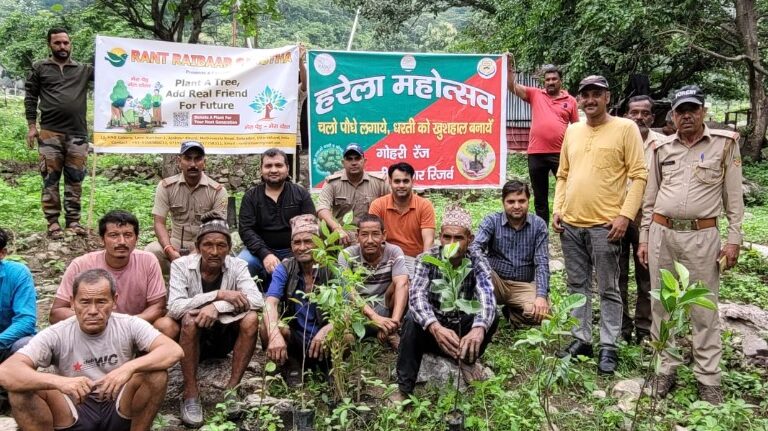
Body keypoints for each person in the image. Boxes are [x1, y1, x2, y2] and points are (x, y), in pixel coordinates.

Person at [637, 85, 744, 405]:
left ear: (703, 112)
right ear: (672, 115)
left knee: (703, 308)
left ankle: (708, 378)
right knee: (662, 304)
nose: (686, 115)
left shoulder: (724, 145)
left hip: (702, 237)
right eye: (680, 110)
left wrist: (734, 239)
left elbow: (734, 199)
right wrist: (643, 237)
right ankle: (664, 368)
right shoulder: (661, 147)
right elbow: (650, 198)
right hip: (662, 234)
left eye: (692, 109)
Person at [0, 269, 183, 431]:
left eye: (101, 301)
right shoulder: (57, 333)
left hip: (118, 403)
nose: (93, 310)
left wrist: (127, 368)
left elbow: (173, 350)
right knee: (21, 390)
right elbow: (7, 371)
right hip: (73, 407)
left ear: (114, 301)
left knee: (156, 375)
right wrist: (59, 382)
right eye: (85, 302)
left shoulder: (129, 324)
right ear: (72, 303)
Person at [552, 75, 647, 374]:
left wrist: (625, 216)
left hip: (605, 226)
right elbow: (563, 174)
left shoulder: (625, 128)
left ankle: (609, 344)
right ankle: (581, 338)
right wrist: (558, 208)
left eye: (596, 94)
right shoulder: (573, 131)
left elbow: (639, 175)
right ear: (579, 99)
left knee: (609, 287)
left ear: (608, 97)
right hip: (571, 224)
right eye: (585, 95)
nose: (590, 100)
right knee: (576, 285)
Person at [154, 216, 263, 427]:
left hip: (224, 336)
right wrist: (217, 295)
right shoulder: (181, 266)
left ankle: (232, 388)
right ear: (197, 247)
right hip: (192, 336)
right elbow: (174, 307)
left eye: (221, 245)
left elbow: (257, 300)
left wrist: (216, 307)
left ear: (229, 248)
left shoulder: (238, 266)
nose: (214, 252)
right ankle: (190, 393)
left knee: (250, 318)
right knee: (188, 319)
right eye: (208, 245)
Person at [392, 206, 498, 401]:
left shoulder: (476, 260)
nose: (451, 243)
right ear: (439, 237)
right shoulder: (427, 259)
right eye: (447, 237)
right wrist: (435, 327)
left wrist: (479, 328)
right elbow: (417, 297)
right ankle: (404, 388)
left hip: (460, 329)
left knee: (492, 316)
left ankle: (466, 359)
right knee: (411, 318)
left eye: (458, 238)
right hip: (433, 330)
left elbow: (487, 295)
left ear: (470, 239)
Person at [25, 28, 94, 239]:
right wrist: (31, 126)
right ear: (50, 45)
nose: (62, 47)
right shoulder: (40, 68)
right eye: (57, 43)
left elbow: (112, 76)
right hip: (49, 132)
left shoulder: (83, 69)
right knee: (50, 178)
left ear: (70, 44)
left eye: (65, 43)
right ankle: (53, 223)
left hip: (78, 134)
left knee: (75, 178)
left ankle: (74, 221)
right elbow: (30, 97)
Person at [49, 211, 166, 331]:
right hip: (91, 330)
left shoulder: (148, 261)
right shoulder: (81, 264)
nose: (121, 241)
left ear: (136, 238)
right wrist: (98, 321)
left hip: (134, 328)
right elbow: (56, 313)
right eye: (113, 235)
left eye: (128, 235)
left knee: (166, 326)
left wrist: (128, 324)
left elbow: (158, 307)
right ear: (102, 239)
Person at [507, 60, 579, 225]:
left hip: (560, 154)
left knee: (567, 192)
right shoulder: (535, 94)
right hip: (536, 153)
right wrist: (509, 67)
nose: (551, 82)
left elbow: (577, 128)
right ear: (544, 82)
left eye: (554, 79)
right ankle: (541, 233)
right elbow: (512, 87)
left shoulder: (571, 101)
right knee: (540, 198)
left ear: (560, 81)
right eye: (547, 80)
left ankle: (568, 227)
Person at [470, 180, 550, 327]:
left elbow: (542, 263)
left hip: (522, 285)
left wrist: (541, 296)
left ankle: (513, 313)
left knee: (544, 314)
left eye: (522, 201)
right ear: (503, 202)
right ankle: (485, 309)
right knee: (473, 271)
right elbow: (475, 248)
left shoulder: (538, 225)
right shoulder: (492, 221)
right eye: (511, 201)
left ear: (528, 201)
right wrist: (485, 270)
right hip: (495, 281)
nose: (517, 206)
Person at [260, 215, 333, 374]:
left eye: (308, 241)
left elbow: (348, 310)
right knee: (268, 327)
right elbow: (270, 303)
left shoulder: (331, 269)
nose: (302, 247)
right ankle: (291, 367)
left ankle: (332, 370)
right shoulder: (285, 268)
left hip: (323, 341)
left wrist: (327, 329)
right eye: (297, 242)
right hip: (296, 339)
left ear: (319, 243)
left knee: (346, 335)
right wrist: (274, 334)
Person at [145, 141, 228, 275]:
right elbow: (159, 222)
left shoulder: (217, 191)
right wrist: (169, 250)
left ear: (204, 162)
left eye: (197, 159)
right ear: (179, 161)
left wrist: (197, 252)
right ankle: (163, 286)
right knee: (151, 252)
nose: (193, 164)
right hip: (175, 242)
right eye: (188, 158)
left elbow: (217, 228)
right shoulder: (166, 187)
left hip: (205, 243)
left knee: (224, 257)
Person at [238, 148, 316, 288]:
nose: (273, 170)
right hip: (259, 252)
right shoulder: (251, 197)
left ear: (287, 168)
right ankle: (252, 301)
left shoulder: (300, 194)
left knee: (315, 262)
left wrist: (293, 256)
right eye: (268, 166)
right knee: (243, 262)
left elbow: (310, 228)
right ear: (261, 169)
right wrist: (265, 254)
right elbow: (246, 230)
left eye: (278, 165)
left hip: (296, 249)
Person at [619, 95, 663, 344]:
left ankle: (645, 328)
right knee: (618, 274)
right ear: (626, 115)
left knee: (648, 275)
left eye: (644, 113)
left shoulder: (663, 144)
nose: (639, 117)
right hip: (619, 216)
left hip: (650, 219)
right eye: (634, 112)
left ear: (652, 117)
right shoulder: (617, 139)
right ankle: (622, 328)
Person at [338, 214, 409, 347]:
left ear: (384, 235)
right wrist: (374, 318)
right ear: (357, 235)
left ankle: (392, 330)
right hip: (358, 311)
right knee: (346, 293)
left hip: (384, 306)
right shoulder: (347, 254)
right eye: (364, 235)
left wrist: (392, 323)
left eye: (375, 234)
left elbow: (401, 284)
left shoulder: (394, 251)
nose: (370, 240)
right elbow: (348, 290)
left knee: (404, 282)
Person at [368, 162, 435, 276]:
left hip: (414, 260)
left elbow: (428, 241)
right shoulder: (378, 205)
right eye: (397, 181)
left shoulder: (424, 205)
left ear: (412, 182)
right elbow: (373, 237)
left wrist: (424, 268)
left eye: (405, 181)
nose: (401, 185)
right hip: (386, 260)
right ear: (390, 182)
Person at [316, 143, 389, 245]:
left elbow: (394, 203)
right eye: (349, 159)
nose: (354, 163)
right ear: (343, 162)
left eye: (357, 158)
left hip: (370, 233)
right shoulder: (333, 183)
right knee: (321, 227)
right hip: (342, 233)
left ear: (364, 161)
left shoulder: (379, 182)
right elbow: (322, 208)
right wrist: (336, 228)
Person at [0, 228, 36, 362]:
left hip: (5, 345)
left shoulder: (17, 273)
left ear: (2, 253)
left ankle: (12, 379)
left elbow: (26, 320)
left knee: (26, 344)